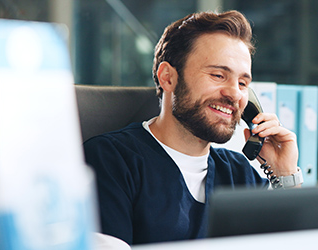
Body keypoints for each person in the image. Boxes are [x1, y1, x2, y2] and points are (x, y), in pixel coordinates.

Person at [84, 10, 301, 246]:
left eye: (242, 83)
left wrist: (284, 174)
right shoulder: (110, 160)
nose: (234, 94)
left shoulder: (239, 174)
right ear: (168, 78)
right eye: (218, 75)